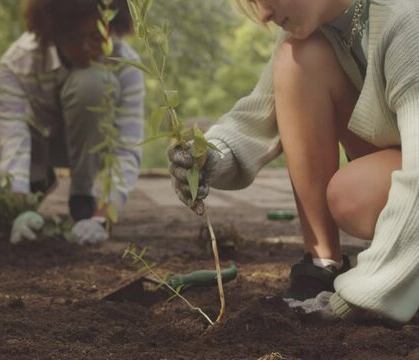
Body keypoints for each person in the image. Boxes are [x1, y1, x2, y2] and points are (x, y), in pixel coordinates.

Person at [168, 0, 419, 324]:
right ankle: (322, 267)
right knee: (296, 58)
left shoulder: (406, 18)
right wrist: (208, 157)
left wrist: (366, 293)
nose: (263, 15)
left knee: (354, 195)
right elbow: (257, 118)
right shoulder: (319, 23)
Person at [0, 0, 144, 245]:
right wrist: (19, 205)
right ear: (53, 33)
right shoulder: (19, 60)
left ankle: (82, 196)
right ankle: (37, 178)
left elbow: (127, 147)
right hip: (36, 135)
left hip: (91, 146)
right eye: (74, 39)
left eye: (96, 36)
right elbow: (13, 136)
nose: (86, 48)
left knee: (94, 83)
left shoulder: (126, 64)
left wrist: (103, 216)